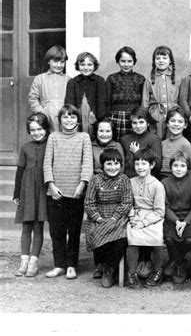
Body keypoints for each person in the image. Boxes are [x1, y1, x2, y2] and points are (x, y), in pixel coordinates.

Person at [43, 104, 93, 279]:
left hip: (76, 193)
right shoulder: (53, 137)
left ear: (78, 120)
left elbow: (87, 163)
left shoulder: (84, 138)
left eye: (72, 117)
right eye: (65, 117)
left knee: (73, 230)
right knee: (56, 230)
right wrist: (51, 185)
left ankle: (71, 265)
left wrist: (82, 184)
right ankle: (59, 265)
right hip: (55, 192)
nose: (69, 120)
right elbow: (47, 163)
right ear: (60, 120)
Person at [84, 148, 132, 288]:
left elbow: (127, 202)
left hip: (118, 216)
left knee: (121, 238)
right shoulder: (95, 179)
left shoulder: (124, 179)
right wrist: (98, 218)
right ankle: (100, 263)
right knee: (94, 232)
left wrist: (114, 217)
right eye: (109, 164)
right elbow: (89, 202)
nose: (113, 167)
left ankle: (109, 270)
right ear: (102, 165)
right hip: (99, 215)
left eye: (116, 164)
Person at [13, 113, 51, 277]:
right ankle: (24, 260)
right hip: (27, 189)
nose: (37, 133)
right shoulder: (25, 147)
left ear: (46, 129)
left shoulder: (50, 144)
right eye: (33, 130)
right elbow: (20, 170)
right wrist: (16, 193)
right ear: (29, 131)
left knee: (38, 225)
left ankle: (34, 262)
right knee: (26, 225)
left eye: (40, 129)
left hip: (42, 188)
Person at [126, 149, 166, 288]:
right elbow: (127, 203)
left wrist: (144, 222)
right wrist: (132, 217)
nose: (140, 167)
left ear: (152, 165)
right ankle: (131, 273)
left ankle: (157, 271)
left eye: (144, 163)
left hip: (152, 217)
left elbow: (160, 211)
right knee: (132, 236)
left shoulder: (157, 185)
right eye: (137, 164)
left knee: (157, 237)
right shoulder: (130, 182)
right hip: (135, 216)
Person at [162, 152, 191, 284]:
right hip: (171, 218)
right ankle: (180, 264)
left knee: (189, 240)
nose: (179, 169)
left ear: (188, 167)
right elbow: (165, 206)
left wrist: (185, 222)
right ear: (170, 167)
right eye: (175, 165)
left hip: (188, 218)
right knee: (169, 239)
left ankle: (175, 261)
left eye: (182, 166)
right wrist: (176, 221)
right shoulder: (165, 183)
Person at [105, 46, 146, 141]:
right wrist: (107, 119)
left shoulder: (140, 78)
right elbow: (107, 100)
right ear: (118, 62)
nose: (126, 64)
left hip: (135, 118)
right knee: (118, 142)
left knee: (134, 142)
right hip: (116, 117)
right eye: (123, 61)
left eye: (129, 61)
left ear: (134, 62)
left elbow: (143, 100)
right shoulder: (112, 78)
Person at [28, 45, 70, 132]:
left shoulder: (69, 80)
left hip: (64, 119)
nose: (59, 65)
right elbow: (33, 98)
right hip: (46, 118)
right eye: (55, 61)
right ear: (48, 61)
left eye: (62, 62)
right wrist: (42, 112)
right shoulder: (40, 79)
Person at [65, 52, 107, 137]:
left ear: (94, 66)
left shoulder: (99, 81)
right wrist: (73, 119)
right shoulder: (73, 82)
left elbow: (102, 101)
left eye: (89, 65)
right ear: (78, 66)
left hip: (94, 117)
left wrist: (98, 118)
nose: (86, 68)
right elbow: (69, 104)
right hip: (78, 118)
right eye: (82, 64)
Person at [142, 46, 179, 139]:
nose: (161, 61)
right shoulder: (149, 80)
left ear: (170, 60)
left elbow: (182, 99)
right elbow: (145, 103)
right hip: (155, 117)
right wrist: (148, 119)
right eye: (158, 58)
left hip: (173, 116)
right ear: (154, 61)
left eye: (164, 58)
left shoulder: (178, 79)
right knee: (156, 140)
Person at [120, 106, 162, 179]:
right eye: (134, 123)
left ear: (148, 123)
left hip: (147, 181)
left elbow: (157, 166)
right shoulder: (124, 140)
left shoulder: (154, 139)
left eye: (141, 122)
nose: (138, 126)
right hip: (128, 181)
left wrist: (137, 152)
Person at [160, 106, 191, 179]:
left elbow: (190, 168)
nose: (176, 124)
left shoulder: (186, 144)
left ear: (185, 125)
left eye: (180, 122)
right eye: (172, 121)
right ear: (167, 123)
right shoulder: (162, 143)